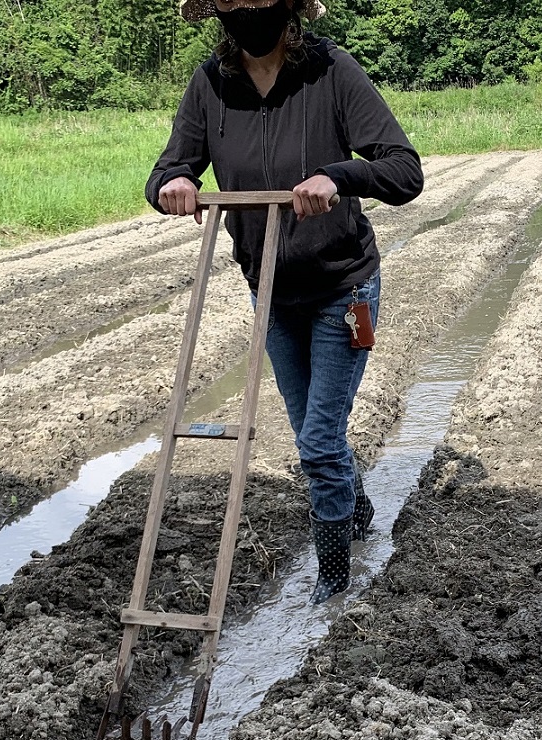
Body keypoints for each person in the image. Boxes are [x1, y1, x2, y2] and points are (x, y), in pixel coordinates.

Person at [147, 0, 423, 604]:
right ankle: (356, 507)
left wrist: (340, 176)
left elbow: (404, 171)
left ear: (287, 8)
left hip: (342, 290)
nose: (246, 13)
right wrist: (178, 182)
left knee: (318, 442)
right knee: (311, 431)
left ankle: (332, 584)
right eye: (232, 3)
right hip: (269, 291)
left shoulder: (331, 72)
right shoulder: (211, 85)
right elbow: (169, 168)